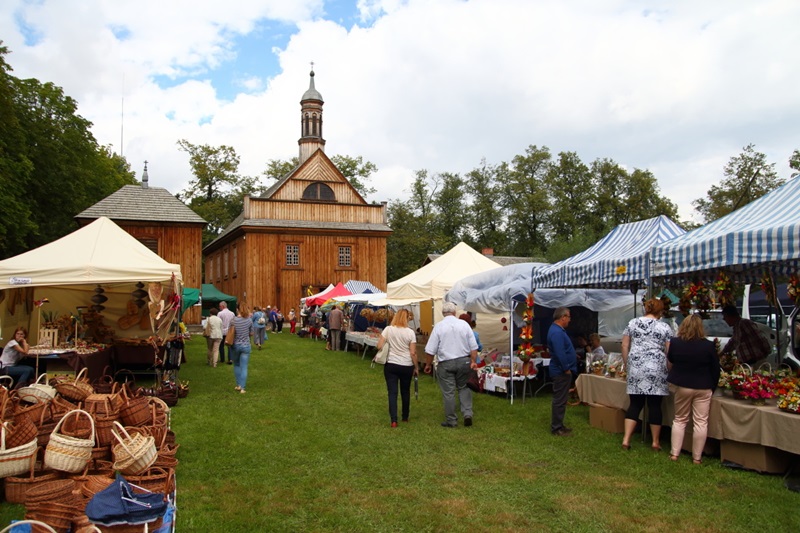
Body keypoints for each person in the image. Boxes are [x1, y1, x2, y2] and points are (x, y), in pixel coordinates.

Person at [667, 314, 720, 464]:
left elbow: (671, 359)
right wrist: (713, 386)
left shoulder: (676, 343)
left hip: (683, 385)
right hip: (704, 386)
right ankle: (697, 457)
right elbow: (716, 368)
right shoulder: (708, 345)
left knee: (680, 419)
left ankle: (674, 454)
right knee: (701, 422)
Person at [621, 298, 673, 451]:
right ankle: (655, 442)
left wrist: (627, 364)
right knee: (655, 405)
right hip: (656, 367)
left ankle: (626, 439)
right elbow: (670, 351)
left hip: (636, 366)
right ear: (660, 311)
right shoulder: (665, 327)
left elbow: (625, 345)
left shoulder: (632, 323)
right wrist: (668, 368)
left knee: (635, 404)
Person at [424, 302, 479, 428]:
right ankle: (467, 414)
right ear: (454, 312)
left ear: (443, 313)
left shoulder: (439, 326)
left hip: (446, 363)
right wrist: (473, 361)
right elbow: (474, 347)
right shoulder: (464, 325)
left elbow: (430, 349)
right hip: (464, 361)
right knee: (464, 388)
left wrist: (428, 364)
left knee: (448, 392)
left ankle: (451, 420)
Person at [377, 309, 418, 427]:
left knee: (392, 392)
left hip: (391, 364)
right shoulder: (410, 332)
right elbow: (413, 353)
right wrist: (416, 367)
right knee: (405, 391)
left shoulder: (388, 329)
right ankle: (405, 416)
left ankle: (394, 420)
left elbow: (379, 345)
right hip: (406, 365)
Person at [547, 307, 578, 436]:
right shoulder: (557, 332)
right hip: (561, 371)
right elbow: (560, 352)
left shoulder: (557, 330)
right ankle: (557, 428)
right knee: (559, 400)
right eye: (569, 317)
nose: (569, 320)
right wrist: (566, 368)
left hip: (561, 370)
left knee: (561, 399)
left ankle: (559, 424)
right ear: (563, 317)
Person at [229, 303, 255, 394]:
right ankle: (243, 388)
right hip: (246, 345)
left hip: (235, 345)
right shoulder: (249, 320)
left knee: (236, 365)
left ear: (237, 309)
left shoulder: (233, 320)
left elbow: (230, 333)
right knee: (244, 367)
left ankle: (239, 384)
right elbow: (252, 333)